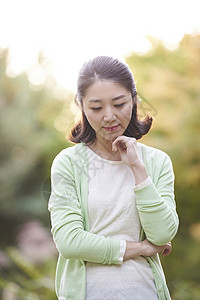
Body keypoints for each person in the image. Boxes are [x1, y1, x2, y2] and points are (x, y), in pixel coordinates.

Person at [48, 56, 179, 300]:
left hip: (145, 292)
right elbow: (69, 242)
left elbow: (162, 234)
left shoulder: (157, 162)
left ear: (134, 99)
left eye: (119, 104)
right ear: (81, 105)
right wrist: (140, 248)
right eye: (97, 108)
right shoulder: (69, 164)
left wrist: (137, 168)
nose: (109, 116)